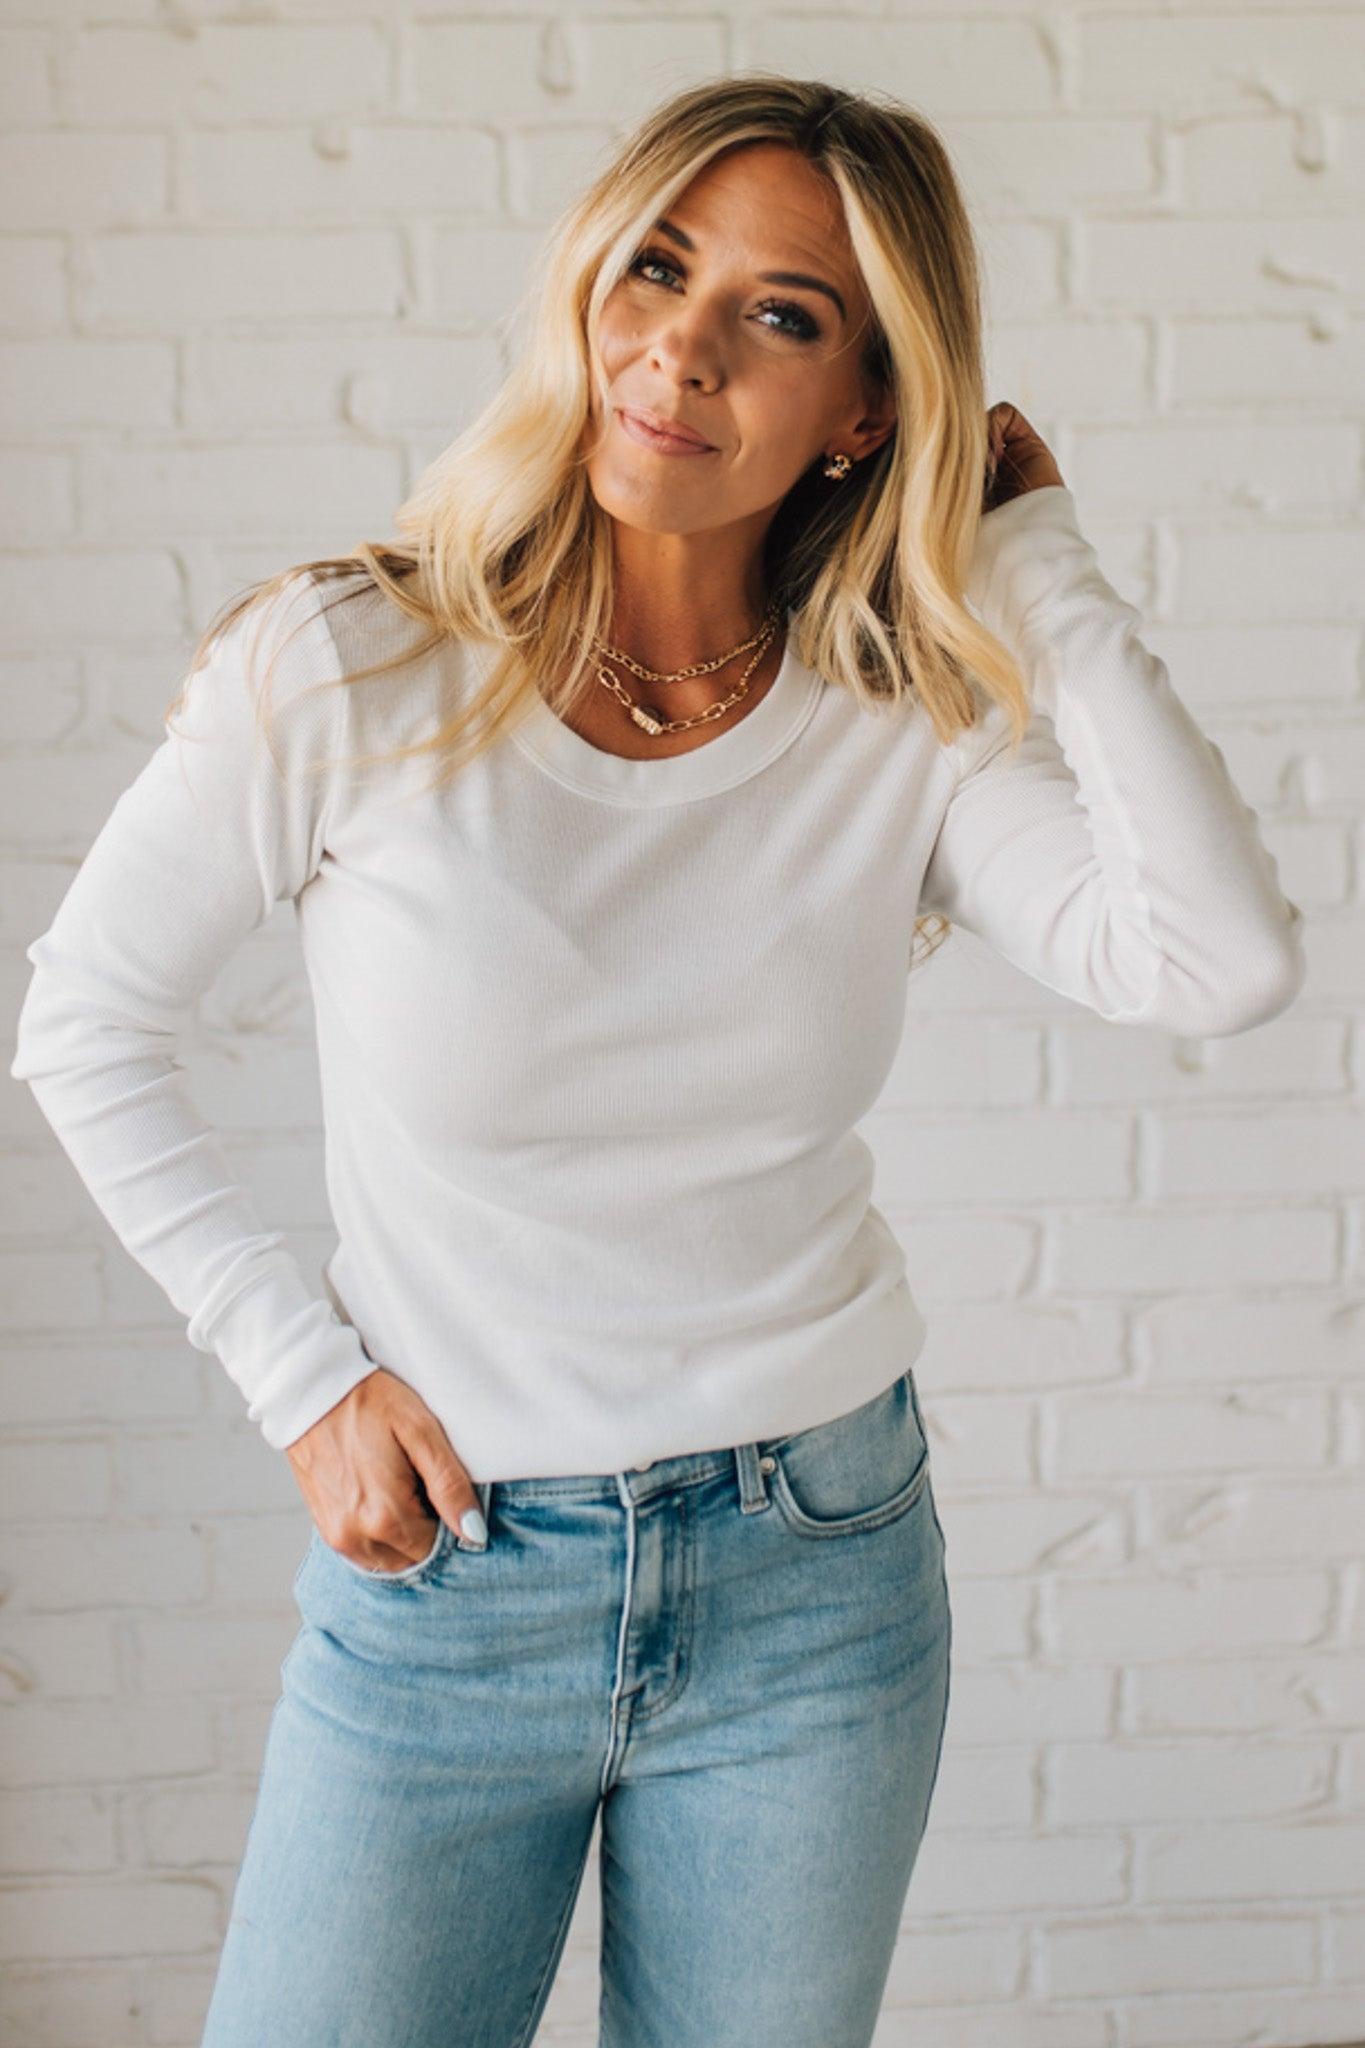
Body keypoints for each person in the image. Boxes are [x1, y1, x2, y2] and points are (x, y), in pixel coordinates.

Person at [9, 74, 1305, 2048]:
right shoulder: (351, 668)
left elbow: (1211, 961)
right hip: (453, 1580)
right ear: (587, 287)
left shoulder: (899, 724)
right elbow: (84, 1024)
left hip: (816, 1580)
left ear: (865, 407)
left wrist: (1032, 559)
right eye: (657, 267)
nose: (679, 348)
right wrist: (301, 1377)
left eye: (781, 315)